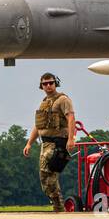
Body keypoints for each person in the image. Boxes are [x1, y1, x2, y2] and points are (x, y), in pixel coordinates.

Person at [23, 74, 76, 211]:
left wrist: (71, 138)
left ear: (55, 83)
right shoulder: (45, 102)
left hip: (58, 142)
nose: (48, 86)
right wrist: (29, 143)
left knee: (49, 173)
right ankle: (57, 204)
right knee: (44, 177)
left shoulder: (63, 100)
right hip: (45, 143)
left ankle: (59, 206)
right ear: (41, 86)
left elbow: (71, 118)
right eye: (45, 84)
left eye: (50, 83)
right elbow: (39, 125)